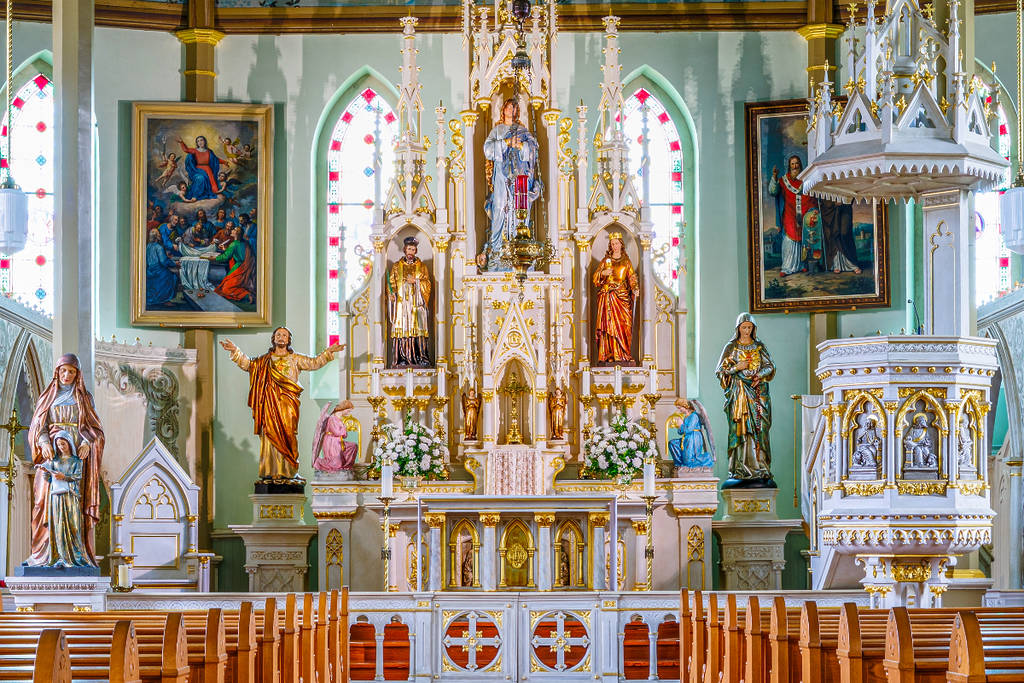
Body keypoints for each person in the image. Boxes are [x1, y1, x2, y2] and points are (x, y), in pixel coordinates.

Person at [221, 328, 345, 481]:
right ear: (273, 338)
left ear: (288, 340)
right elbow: (249, 364)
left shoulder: (295, 358)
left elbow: (314, 362)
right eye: (278, 335)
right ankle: (270, 471)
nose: (281, 338)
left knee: (288, 434)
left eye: (284, 335)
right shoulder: (263, 360)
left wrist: (329, 352)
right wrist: (236, 351)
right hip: (269, 404)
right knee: (269, 435)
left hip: (288, 404)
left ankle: (289, 471)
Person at [26, 353, 105, 567]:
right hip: (51, 456)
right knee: (42, 501)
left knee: (73, 506)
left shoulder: (84, 398)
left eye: (71, 371)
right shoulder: (47, 397)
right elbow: (37, 426)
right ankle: (43, 554)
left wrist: (88, 442)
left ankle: (72, 555)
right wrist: (43, 443)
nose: (67, 375)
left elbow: (95, 430)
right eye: (63, 370)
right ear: (57, 372)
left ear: (77, 374)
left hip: (73, 459)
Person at [716, 313, 775, 487]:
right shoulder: (731, 347)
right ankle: (739, 468)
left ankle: (760, 467)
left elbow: (770, 366)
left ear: (753, 329)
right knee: (741, 427)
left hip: (758, 392)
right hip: (739, 393)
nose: (747, 331)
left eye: (750, 327)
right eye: (744, 327)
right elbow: (720, 371)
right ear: (738, 329)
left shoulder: (759, 346)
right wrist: (736, 368)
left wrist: (759, 375)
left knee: (760, 428)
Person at [481, 97, 542, 268]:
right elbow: (487, 150)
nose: (511, 110)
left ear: (517, 112)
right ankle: (498, 251)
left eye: (514, 108)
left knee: (519, 209)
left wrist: (521, 147)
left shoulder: (523, 131)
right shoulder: (497, 130)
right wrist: (507, 143)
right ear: (504, 109)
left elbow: (533, 152)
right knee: (500, 208)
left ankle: (520, 251)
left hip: (520, 178)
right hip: (501, 177)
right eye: (508, 107)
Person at [33, 431, 91, 567]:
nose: (61, 447)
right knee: (58, 525)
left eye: (63, 444)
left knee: (73, 525)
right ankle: (59, 556)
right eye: (58, 444)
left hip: (70, 495)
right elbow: (47, 478)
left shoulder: (76, 461)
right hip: (56, 497)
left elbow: (77, 476)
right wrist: (46, 471)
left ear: (69, 443)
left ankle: (75, 557)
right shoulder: (54, 461)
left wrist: (63, 476)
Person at [768, 155, 818, 277]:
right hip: (789, 215)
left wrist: (813, 209)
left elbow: (811, 197)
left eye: (797, 164)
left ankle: (802, 265)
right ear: (789, 166)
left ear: (800, 165)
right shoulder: (783, 181)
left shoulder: (805, 181)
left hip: (803, 214)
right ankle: (786, 268)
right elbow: (773, 191)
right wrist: (774, 177)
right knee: (789, 240)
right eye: (792, 164)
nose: (795, 166)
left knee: (803, 240)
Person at [593, 232, 639, 363]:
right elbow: (595, 278)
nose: (615, 246)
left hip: (622, 297)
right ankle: (609, 354)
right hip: (607, 297)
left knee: (623, 326)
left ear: (621, 244)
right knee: (608, 326)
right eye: (612, 244)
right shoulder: (605, 261)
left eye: (617, 243)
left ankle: (623, 353)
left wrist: (635, 288)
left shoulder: (626, 261)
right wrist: (603, 273)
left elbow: (632, 277)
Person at [387, 236, 432, 367]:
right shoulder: (396, 266)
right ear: (404, 250)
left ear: (416, 251)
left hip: (417, 305)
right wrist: (391, 294)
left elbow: (427, 285)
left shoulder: (422, 267)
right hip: (401, 305)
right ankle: (402, 359)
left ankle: (421, 358)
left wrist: (416, 282)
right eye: (408, 249)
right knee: (402, 329)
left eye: (413, 249)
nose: (411, 252)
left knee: (418, 329)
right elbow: (391, 284)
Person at [204, 225, 256, 304]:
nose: (232, 230)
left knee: (225, 289)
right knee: (233, 285)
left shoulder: (234, 244)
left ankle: (246, 295)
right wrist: (225, 249)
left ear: (237, 233)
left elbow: (225, 257)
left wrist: (212, 258)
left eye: (234, 230)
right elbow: (236, 252)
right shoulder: (244, 242)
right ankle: (247, 293)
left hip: (239, 268)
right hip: (246, 267)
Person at [312, 400, 359, 474]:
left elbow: (344, 435)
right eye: (348, 410)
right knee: (335, 464)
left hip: (338, 441)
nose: (348, 413)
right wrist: (343, 428)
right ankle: (318, 463)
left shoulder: (339, 419)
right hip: (331, 442)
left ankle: (346, 466)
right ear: (343, 409)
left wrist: (343, 430)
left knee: (353, 446)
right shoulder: (332, 418)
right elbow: (337, 432)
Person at [818, 198, 862, 274]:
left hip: (845, 207)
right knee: (834, 234)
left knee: (844, 233)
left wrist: (845, 200)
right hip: (830, 211)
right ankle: (836, 264)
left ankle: (851, 264)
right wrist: (833, 203)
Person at [668, 398, 715, 469]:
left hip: (693, 439)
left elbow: (688, 429)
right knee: (672, 443)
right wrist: (679, 426)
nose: (679, 410)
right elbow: (680, 432)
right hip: (686, 439)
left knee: (689, 461)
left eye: (680, 408)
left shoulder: (694, 416)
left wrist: (681, 425)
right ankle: (679, 464)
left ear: (685, 406)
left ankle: (706, 459)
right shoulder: (686, 417)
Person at [177, 135, 226, 201]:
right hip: (197, 170)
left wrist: (224, 162)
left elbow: (215, 159)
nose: (200, 142)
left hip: (208, 170)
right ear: (197, 143)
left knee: (209, 181)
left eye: (201, 140)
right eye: (198, 141)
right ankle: (195, 196)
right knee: (200, 178)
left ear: (205, 141)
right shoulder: (195, 151)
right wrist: (181, 142)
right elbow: (186, 150)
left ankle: (203, 194)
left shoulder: (209, 151)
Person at [146, 228, 180, 307]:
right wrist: (175, 263)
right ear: (156, 237)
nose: (160, 235)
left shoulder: (148, 246)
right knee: (173, 276)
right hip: (158, 271)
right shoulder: (159, 247)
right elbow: (163, 262)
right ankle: (165, 300)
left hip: (150, 270)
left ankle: (155, 299)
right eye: (159, 234)